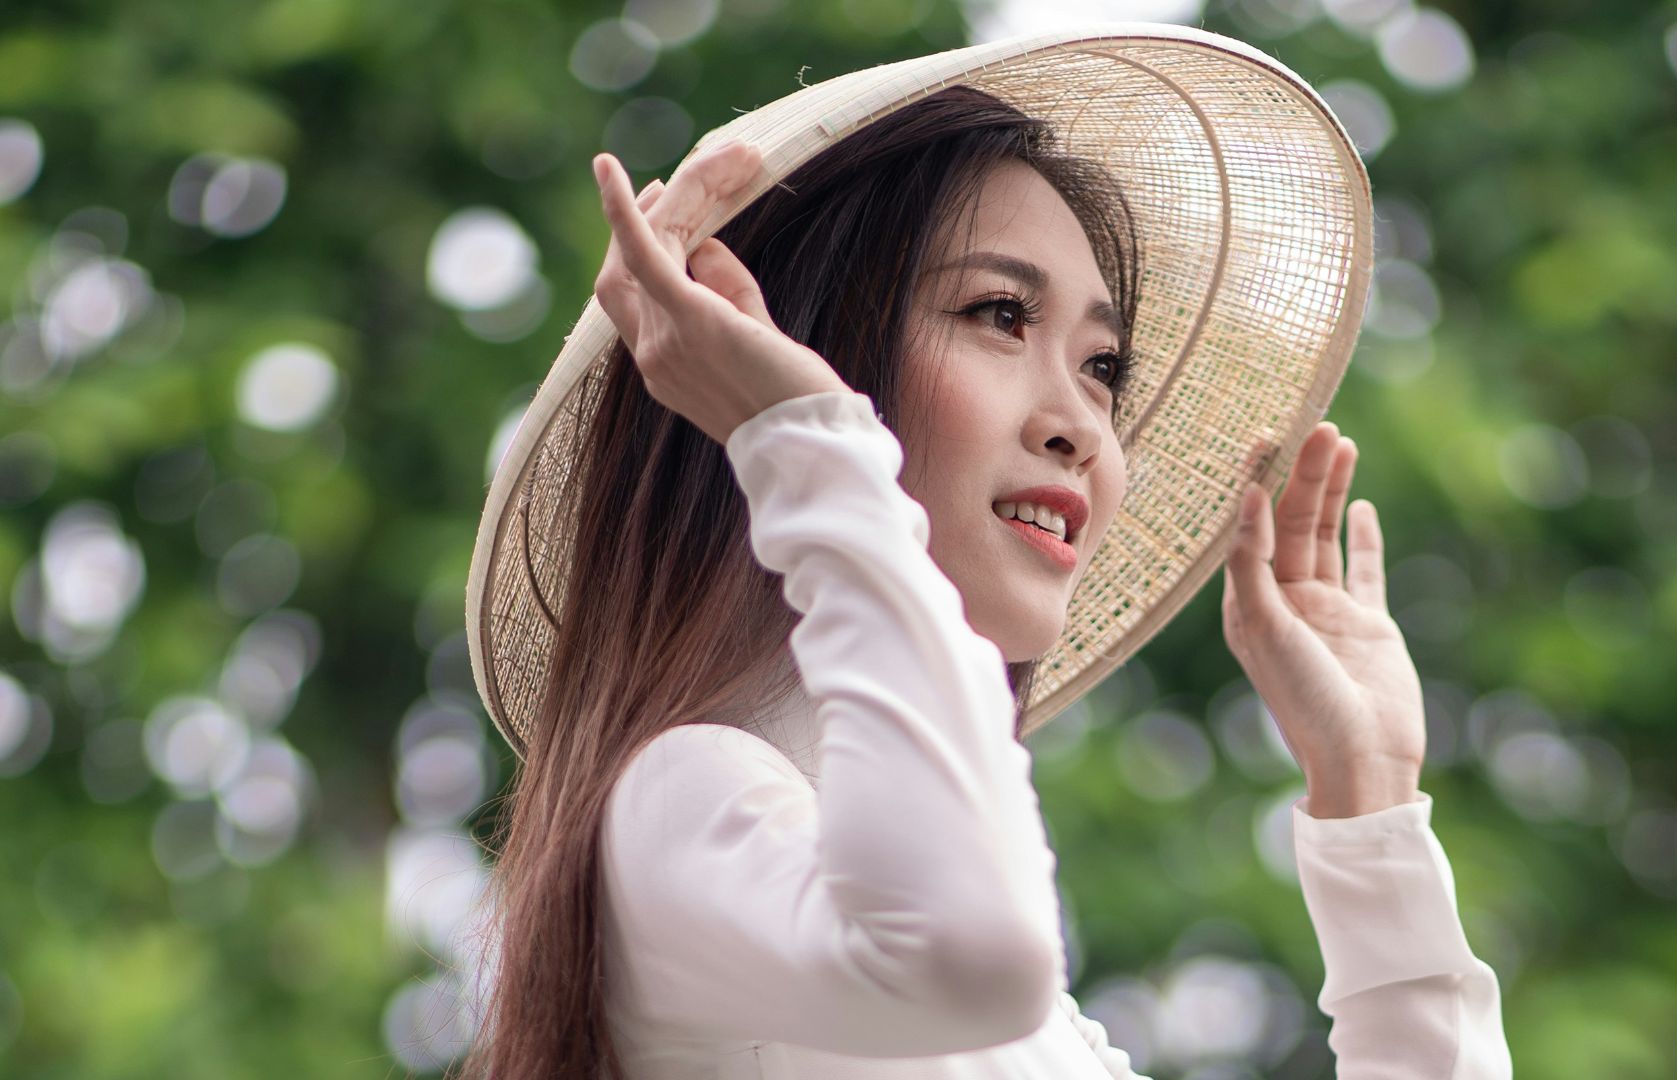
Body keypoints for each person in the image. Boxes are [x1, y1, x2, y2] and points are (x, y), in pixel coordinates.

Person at [454, 55, 1510, 1080]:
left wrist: (1368, 797)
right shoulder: (688, 799)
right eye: (1000, 315)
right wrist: (801, 438)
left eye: (1103, 367)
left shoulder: (1025, 1003)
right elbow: (972, 959)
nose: (1082, 428)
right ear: (791, 351)